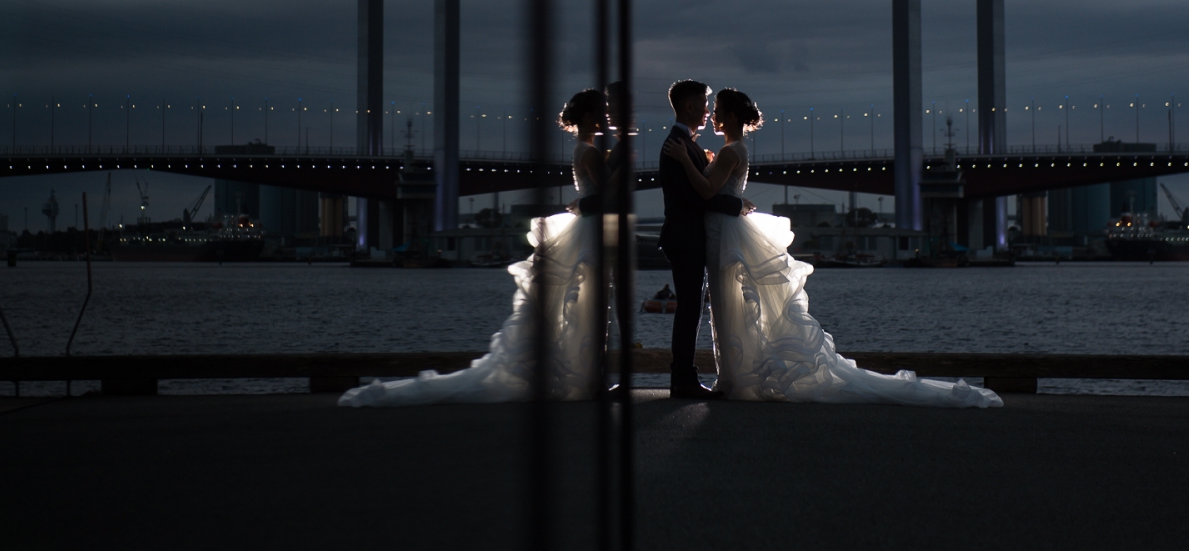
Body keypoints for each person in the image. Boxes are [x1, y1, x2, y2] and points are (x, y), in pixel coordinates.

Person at [661, 88, 1001, 407]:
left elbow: (706, 191)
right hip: (723, 231)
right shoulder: (733, 150)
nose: (713, 115)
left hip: (725, 235)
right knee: (730, 307)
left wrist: (690, 161)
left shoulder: (728, 151)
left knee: (729, 306)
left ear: (733, 116)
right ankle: (734, 377)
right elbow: (715, 188)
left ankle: (733, 379)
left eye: (718, 110)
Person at [337, 91, 606, 406]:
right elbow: (608, 194)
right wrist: (589, 197)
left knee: (579, 305)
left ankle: (585, 377)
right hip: (587, 229)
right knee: (586, 305)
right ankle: (588, 379)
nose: (607, 117)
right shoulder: (590, 153)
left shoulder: (583, 150)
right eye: (602, 111)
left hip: (584, 225)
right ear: (588, 116)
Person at [656, 79, 753, 399]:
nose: (708, 111)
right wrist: (736, 204)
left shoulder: (690, 145)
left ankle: (685, 376)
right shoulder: (677, 146)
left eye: (714, 107)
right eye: (704, 104)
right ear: (689, 107)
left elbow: (705, 186)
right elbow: (698, 198)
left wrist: (702, 162)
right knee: (689, 308)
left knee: (692, 307)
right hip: (685, 238)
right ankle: (682, 379)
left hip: (693, 237)